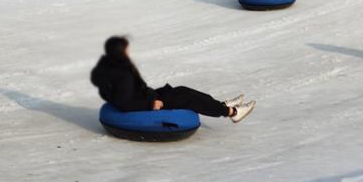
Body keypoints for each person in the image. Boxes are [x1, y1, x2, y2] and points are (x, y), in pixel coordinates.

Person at [90, 36, 255, 122]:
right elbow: (123, 103)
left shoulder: (110, 67)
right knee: (188, 99)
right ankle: (231, 112)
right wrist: (150, 104)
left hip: (147, 96)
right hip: (147, 104)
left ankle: (221, 105)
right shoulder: (121, 75)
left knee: (183, 90)